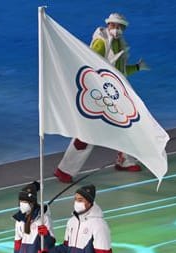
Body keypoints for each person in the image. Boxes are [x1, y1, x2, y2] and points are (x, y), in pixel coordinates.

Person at [54, 13, 150, 183]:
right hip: (98, 95)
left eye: (120, 26)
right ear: (109, 25)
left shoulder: (120, 44)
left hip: (115, 94)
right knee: (86, 134)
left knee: (127, 125)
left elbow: (119, 72)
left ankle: (125, 160)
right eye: (114, 25)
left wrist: (137, 67)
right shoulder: (101, 42)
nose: (117, 29)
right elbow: (89, 66)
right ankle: (65, 169)